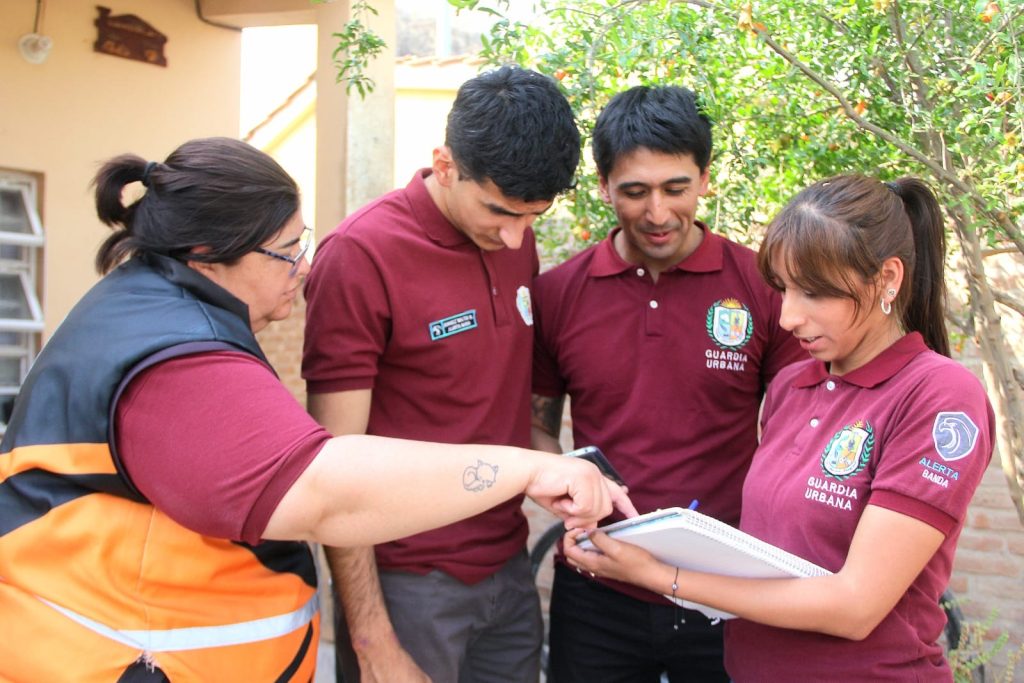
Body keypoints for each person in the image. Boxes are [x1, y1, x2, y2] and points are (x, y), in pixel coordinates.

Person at [0, 137, 634, 682]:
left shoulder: (162, 312)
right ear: (206, 253)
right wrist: (525, 472)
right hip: (120, 658)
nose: (303, 268)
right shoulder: (173, 359)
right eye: (286, 251)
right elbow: (325, 492)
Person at [566, 174, 995, 681]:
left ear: (888, 278)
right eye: (784, 289)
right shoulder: (792, 386)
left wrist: (665, 578)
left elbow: (855, 606)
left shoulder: (939, 396)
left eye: (813, 293)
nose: (788, 316)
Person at [302, 65, 582, 682]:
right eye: (500, 212)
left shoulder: (512, 238)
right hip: (408, 586)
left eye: (532, 217)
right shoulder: (360, 256)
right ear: (445, 164)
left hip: (508, 570)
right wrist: (373, 639)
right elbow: (333, 468)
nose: (515, 239)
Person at [530, 85, 805, 681]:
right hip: (598, 582)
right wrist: (566, 488)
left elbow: (799, 436)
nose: (657, 213)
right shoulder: (558, 295)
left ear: (704, 178)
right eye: (635, 192)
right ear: (604, 186)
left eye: (675, 188)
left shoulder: (762, 288)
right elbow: (536, 426)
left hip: (725, 590)